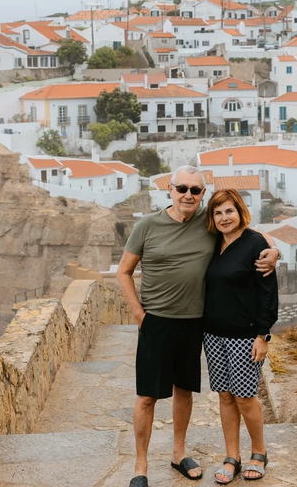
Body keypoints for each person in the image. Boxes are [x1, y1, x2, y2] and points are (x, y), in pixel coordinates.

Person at [117, 166, 279, 487]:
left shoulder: (207, 223)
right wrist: (139, 314)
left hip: (194, 325)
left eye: (195, 190)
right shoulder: (147, 226)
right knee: (148, 397)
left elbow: (252, 235)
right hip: (158, 323)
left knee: (184, 392)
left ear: (202, 194)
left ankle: (179, 454)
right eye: (182, 189)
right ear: (170, 190)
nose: (188, 195)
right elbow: (123, 271)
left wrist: (274, 252)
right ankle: (140, 466)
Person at [202, 189, 278, 484]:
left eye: (229, 211)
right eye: (218, 212)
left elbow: (268, 293)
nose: (224, 218)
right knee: (224, 395)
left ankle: (258, 453)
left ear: (240, 212)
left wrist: (263, 335)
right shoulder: (213, 242)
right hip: (213, 335)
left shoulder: (256, 244)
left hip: (246, 336)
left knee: (245, 397)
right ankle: (232, 456)